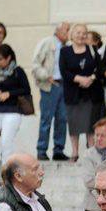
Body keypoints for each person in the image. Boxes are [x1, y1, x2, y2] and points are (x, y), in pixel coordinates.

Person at [0, 44, 30, 164]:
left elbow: (26, 89)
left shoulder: (18, 71)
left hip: (12, 111)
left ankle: (5, 174)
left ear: (8, 58)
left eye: (0, 59)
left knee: (6, 143)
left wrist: (9, 94)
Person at [60, 24, 99, 162]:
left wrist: (91, 79)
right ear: (72, 34)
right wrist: (79, 79)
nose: (81, 35)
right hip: (72, 93)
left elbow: (98, 68)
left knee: (90, 125)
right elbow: (64, 71)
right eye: (78, 32)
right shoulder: (65, 51)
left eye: (84, 33)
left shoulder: (92, 49)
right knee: (74, 124)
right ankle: (75, 152)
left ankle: (92, 153)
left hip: (90, 92)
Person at [32, 22, 71, 162]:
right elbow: (35, 64)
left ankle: (58, 150)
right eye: (67, 30)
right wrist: (46, 76)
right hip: (50, 85)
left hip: (64, 86)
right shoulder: (47, 43)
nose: (69, 32)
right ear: (59, 31)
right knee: (46, 120)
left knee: (62, 119)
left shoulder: (68, 46)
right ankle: (41, 150)